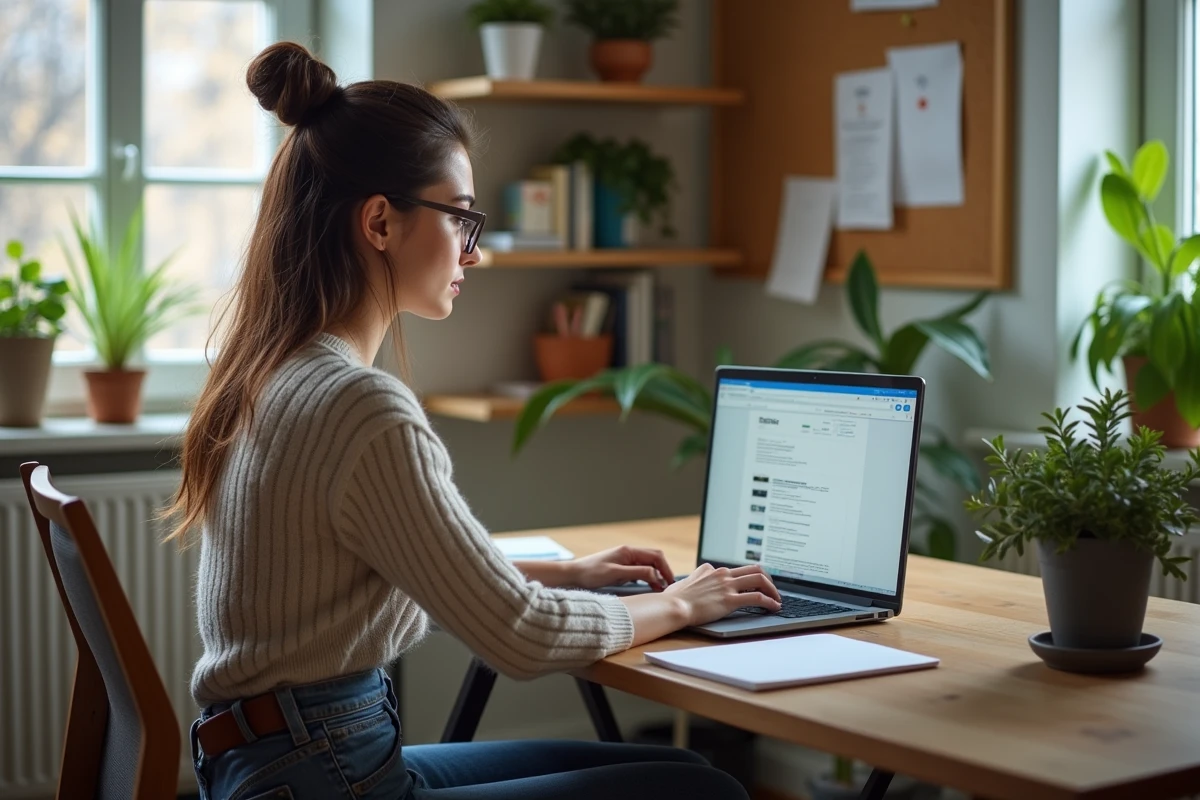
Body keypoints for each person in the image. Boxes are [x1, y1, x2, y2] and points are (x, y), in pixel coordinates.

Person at [165, 41, 782, 800]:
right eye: (460, 218)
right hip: (327, 772)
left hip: (279, 760)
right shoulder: (359, 403)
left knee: (687, 772)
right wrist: (683, 602)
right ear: (381, 224)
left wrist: (567, 573)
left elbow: (393, 559)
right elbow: (520, 637)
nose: (474, 252)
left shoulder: (274, 374)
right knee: (701, 793)